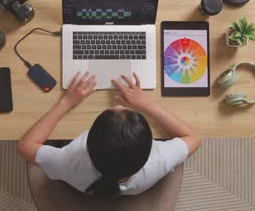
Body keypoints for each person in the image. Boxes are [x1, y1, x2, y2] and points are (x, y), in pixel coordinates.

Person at [17, 72, 202, 195]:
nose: (118, 105)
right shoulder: (158, 161)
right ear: (149, 147)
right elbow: (194, 137)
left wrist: (66, 103)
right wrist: (146, 105)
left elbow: (25, 146)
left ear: (88, 142)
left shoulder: (68, 161)